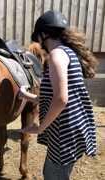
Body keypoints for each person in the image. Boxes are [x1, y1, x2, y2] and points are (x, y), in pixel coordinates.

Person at [18, 10, 97, 180]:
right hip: (70, 132)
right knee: (51, 172)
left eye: (38, 38)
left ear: (44, 34)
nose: (38, 44)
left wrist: (39, 128)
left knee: (53, 175)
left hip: (64, 136)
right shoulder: (68, 53)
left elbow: (61, 99)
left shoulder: (56, 55)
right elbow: (52, 97)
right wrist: (25, 95)